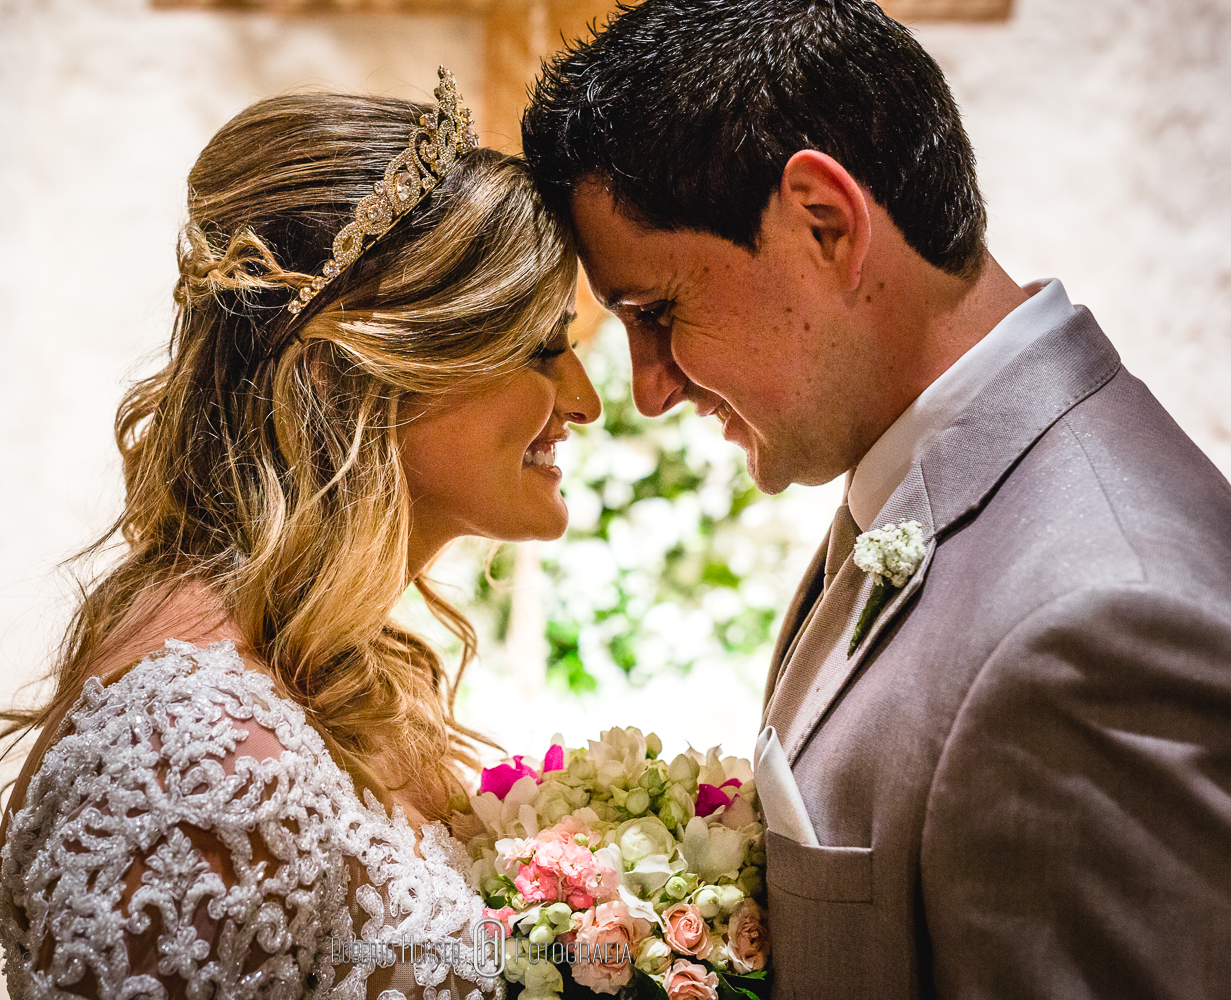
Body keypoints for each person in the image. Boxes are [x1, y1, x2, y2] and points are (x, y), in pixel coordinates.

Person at [522, 1, 1231, 997]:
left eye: (658, 312)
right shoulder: (944, 478)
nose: (649, 387)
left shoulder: (1096, 622)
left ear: (825, 221)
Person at [0, 69, 601, 1000]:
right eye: (541, 347)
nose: (584, 404)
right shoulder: (189, 759)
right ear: (357, 371)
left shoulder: (346, 671)